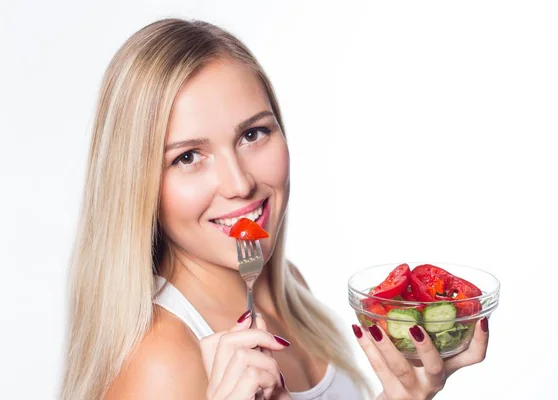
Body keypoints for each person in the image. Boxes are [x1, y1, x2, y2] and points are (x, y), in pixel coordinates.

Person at [60, 18, 490, 400]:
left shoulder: (289, 288)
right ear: (136, 186)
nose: (240, 183)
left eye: (253, 134)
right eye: (188, 157)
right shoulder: (161, 359)